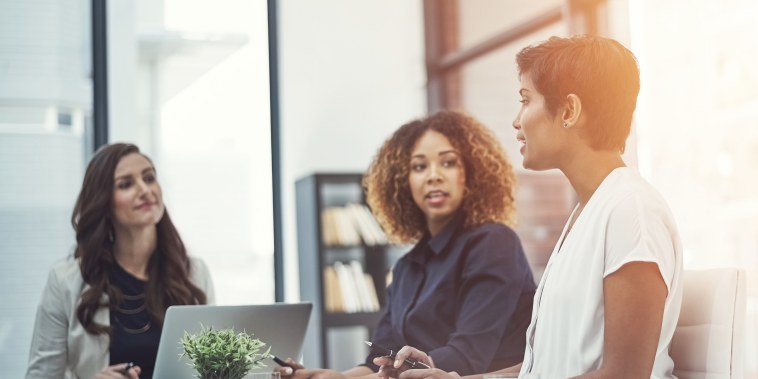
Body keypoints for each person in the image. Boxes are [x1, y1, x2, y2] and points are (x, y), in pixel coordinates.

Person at [380, 35, 684, 379]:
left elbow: (624, 376)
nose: (516, 121)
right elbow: (540, 369)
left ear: (569, 111)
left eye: (526, 100)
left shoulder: (631, 211)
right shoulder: (587, 214)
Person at [277, 110, 535, 379]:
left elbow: (467, 356)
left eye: (448, 163)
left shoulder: (493, 243)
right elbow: (380, 361)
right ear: (403, 181)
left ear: (469, 173)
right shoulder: (405, 268)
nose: (433, 176)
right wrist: (333, 377)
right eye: (419, 167)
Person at [25, 143, 215, 379]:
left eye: (149, 178)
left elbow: (213, 373)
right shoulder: (64, 281)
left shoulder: (194, 273)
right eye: (126, 184)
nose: (145, 190)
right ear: (103, 202)